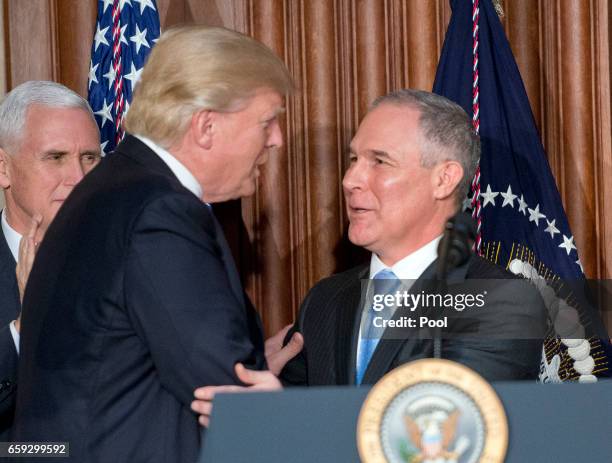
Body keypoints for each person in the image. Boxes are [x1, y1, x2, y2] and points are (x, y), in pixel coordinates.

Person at [12, 26, 294, 462]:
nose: (276, 138)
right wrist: (284, 410)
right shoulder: (160, 210)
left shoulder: (110, 186)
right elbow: (230, 390)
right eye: (266, 120)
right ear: (206, 126)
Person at [192, 89, 548, 421]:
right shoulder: (326, 299)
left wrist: (285, 416)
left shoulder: (501, 302)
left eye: (379, 161)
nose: (350, 180)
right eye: (353, 159)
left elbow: (440, 433)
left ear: (444, 179)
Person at [0, 81, 101, 440]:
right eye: (55, 157)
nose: (78, 178)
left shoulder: (128, 257)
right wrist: (25, 328)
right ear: (4, 168)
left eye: (90, 158)